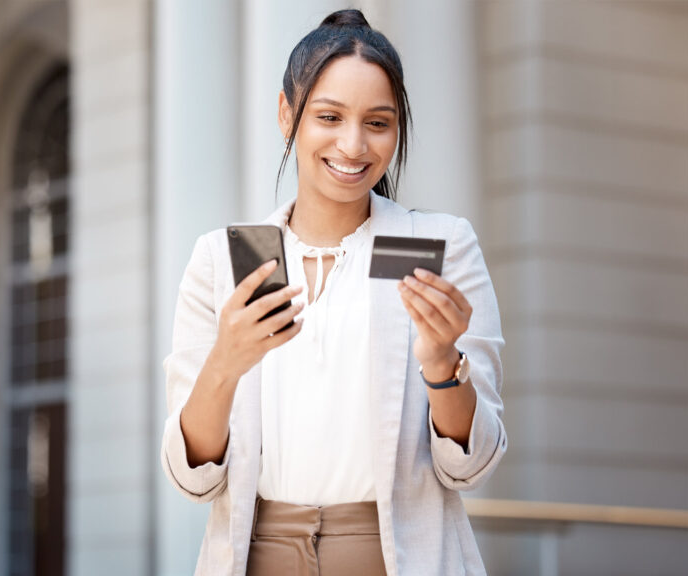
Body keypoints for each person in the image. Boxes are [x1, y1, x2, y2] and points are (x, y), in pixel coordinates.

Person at [160, 9, 506, 576]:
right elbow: (192, 476)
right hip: (257, 555)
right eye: (329, 116)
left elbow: (473, 465)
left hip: (396, 556)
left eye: (378, 122)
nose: (353, 144)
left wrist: (443, 363)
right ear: (286, 114)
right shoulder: (228, 259)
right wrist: (225, 363)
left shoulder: (437, 245)